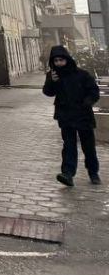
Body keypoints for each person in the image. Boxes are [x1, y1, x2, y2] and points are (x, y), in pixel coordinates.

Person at [42, 45, 101, 186]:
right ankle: (68, 173)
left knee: (89, 146)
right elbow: (48, 92)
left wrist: (86, 103)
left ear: (67, 59)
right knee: (69, 145)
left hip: (83, 115)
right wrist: (52, 81)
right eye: (56, 61)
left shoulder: (82, 74)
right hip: (66, 116)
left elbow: (94, 91)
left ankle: (93, 173)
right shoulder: (53, 76)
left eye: (61, 60)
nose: (58, 64)